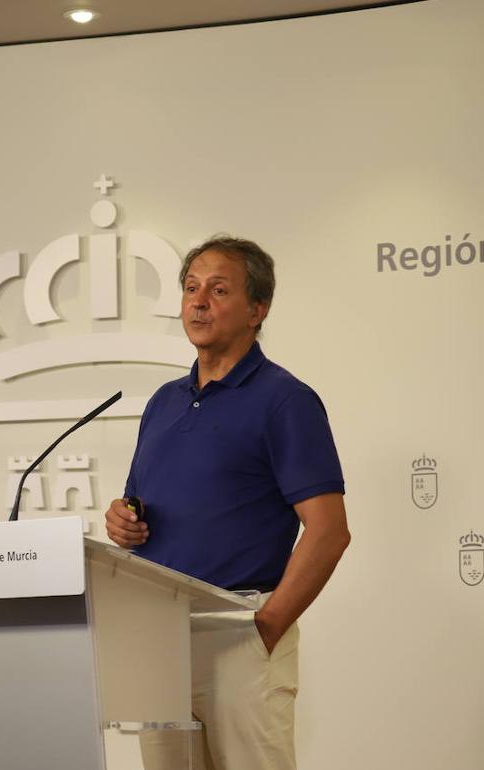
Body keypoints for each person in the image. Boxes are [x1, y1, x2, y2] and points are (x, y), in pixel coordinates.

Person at [105, 236, 351, 770]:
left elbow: (329, 530)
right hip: (159, 639)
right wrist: (122, 521)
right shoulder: (163, 403)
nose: (198, 302)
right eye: (191, 288)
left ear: (257, 309)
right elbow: (139, 503)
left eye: (218, 290)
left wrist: (266, 627)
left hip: (242, 631)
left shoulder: (285, 400)